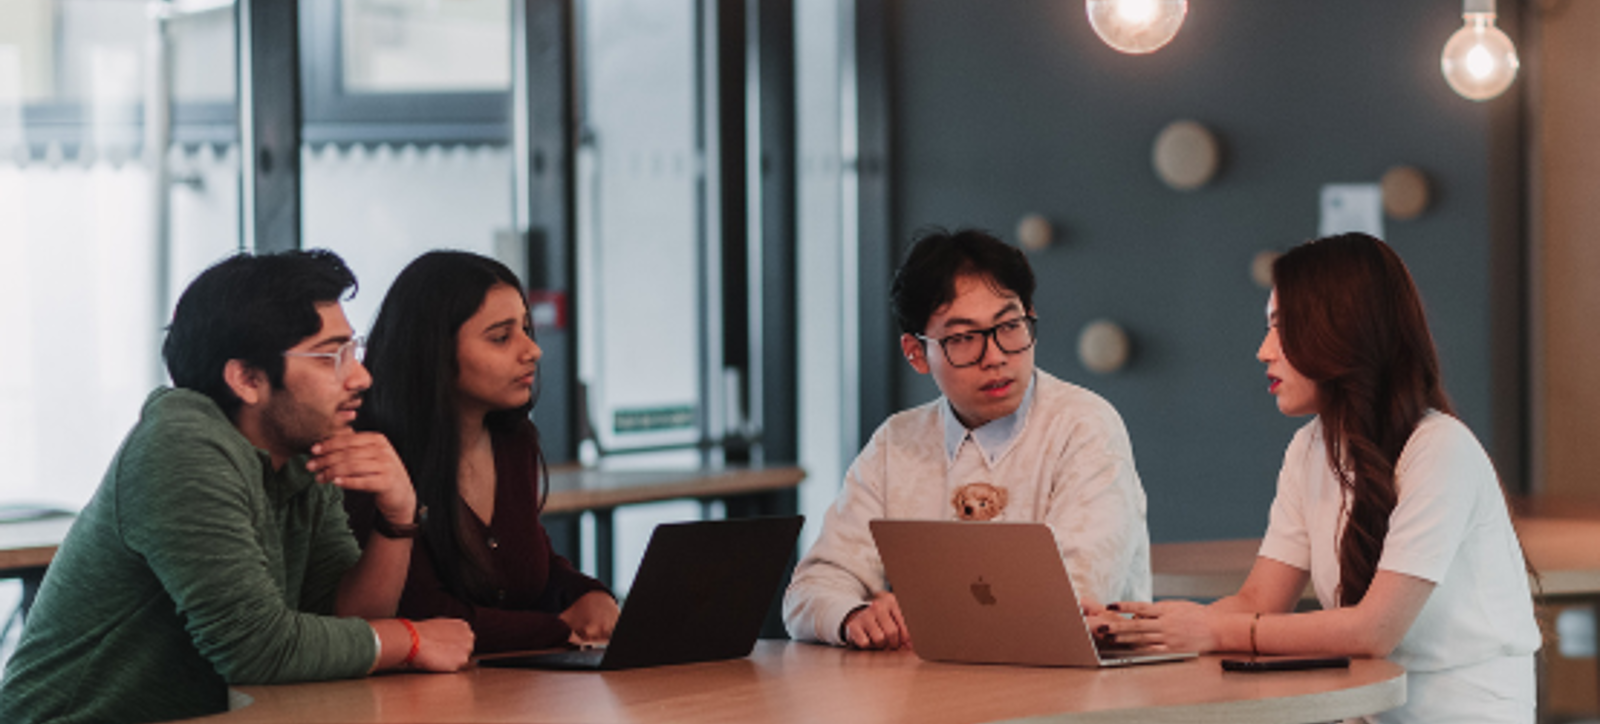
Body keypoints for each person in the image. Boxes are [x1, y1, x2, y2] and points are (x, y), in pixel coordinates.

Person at [0, 250, 474, 724]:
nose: (361, 376)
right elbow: (256, 649)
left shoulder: (304, 451)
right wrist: (410, 639)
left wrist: (397, 518)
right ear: (247, 378)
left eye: (354, 350)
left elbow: (345, 626)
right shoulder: (181, 444)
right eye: (331, 356)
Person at [1102, 233, 1541, 723]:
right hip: (1368, 710)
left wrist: (1212, 630)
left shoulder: (1440, 448)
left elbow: (1373, 631)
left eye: (1282, 327)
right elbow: (1258, 601)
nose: (1263, 351)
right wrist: (1134, 630)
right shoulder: (1310, 448)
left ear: (1340, 331)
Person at [784, 228, 1152, 650]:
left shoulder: (1084, 425)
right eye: (962, 339)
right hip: (926, 682)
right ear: (916, 353)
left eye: (1009, 326)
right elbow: (812, 588)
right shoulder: (896, 442)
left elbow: (1075, 599)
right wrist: (853, 615)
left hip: (1074, 679)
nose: (995, 356)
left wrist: (917, 614)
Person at [344, 250, 618, 654]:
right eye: (501, 337)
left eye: (526, 329)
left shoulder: (515, 440)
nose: (533, 350)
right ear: (434, 350)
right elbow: (423, 612)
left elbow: (532, 563)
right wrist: (556, 630)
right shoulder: (375, 456)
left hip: (510, 684)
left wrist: (587, 594)